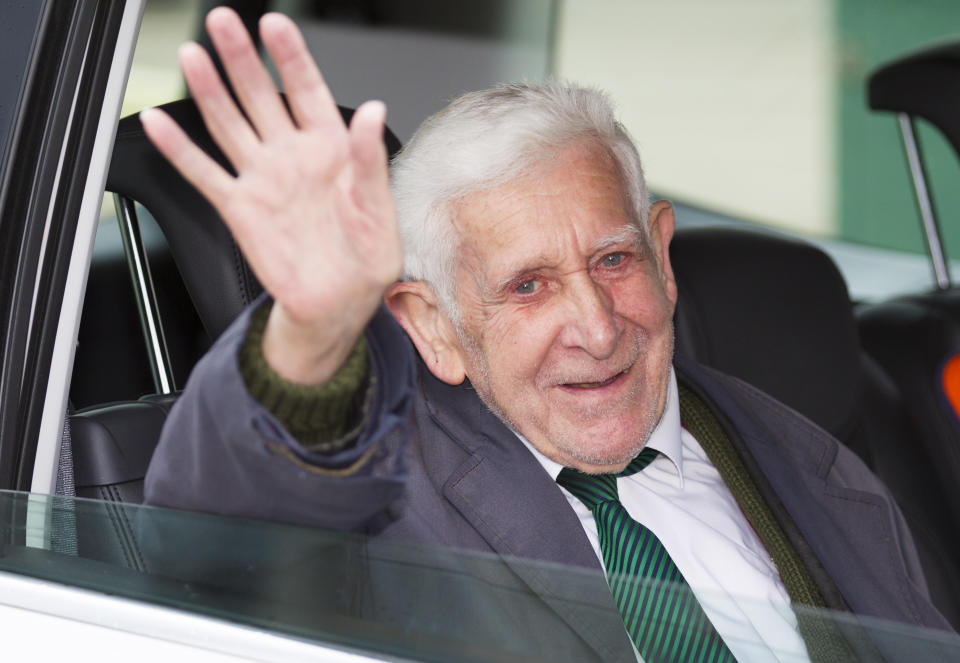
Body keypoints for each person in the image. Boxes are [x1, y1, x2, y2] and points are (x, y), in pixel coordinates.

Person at [140, 7, 949, 662]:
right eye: (527, 287)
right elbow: (219, 540)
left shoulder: (811, 462)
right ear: (432, 326)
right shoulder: (381, 509)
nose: (596, 328)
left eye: (613, 258)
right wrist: (309, 336)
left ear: (663, 257)